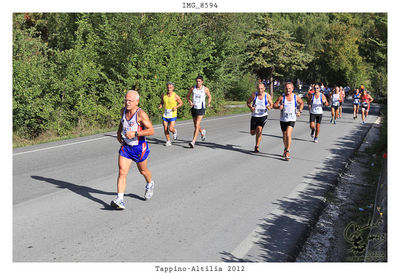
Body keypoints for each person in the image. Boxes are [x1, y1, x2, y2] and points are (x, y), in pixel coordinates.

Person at [111, 90, 155, 210]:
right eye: (125, 100)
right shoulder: (123, 111)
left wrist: (135, 133)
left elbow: (151, 131)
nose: (127, 102)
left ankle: (149, 183)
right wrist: (119, 132)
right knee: (122, 172)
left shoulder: (141, 114)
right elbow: (122, 122)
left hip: (139, 148)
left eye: (130, 100)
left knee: (143, 171)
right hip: (126, 147)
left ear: (137, 101)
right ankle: (120, 199)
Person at [273, 82, 304, 161]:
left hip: (292, 118)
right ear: (284, 89)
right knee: (284, 135)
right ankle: (285, 147)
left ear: (292, 89)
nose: (288, 90)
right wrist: (279, 106)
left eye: (289, 88)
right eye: (286, 88)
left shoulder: (295, 97)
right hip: (283, 119)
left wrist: (300, 111)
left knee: (288, 134)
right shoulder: (281, 97)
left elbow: (301, 103)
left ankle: (287, 151)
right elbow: (274, 105)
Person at [186, 75, 212, 148]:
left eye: (199, 81)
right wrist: (190, 102)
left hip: (201, 108)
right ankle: (202, 132)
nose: (198, 82)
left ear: (202, 82)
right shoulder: (192, 88)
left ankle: (193, 141)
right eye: (197, 81)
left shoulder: (205, 89)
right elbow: (187, 96)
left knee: (197, 125)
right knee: (195, 125)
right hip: (194, 108)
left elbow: (209, 96)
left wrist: (209, 102)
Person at [247, 82, 273, 152]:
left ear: (264, 88)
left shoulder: (267, 96)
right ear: (257, 89)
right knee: (252, 133)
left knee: (259, 129)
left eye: (261, 88)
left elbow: (271, 104)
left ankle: (257, 146)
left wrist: (269, 107)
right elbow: (248, 102)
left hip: (263, 116)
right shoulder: (254, 95)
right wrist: (251, 107)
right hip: (255, 116)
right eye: (259, 88)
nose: (260, 90)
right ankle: (256, 133)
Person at [159, 82, 183, 146]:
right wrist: (161, 105)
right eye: (168, 87)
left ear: (173, 88)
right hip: (165, 114)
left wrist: (176, 107)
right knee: (165, 128)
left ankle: (174, 131)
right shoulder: (164, 95)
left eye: (170, 88)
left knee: (170, 128)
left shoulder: (175, 96)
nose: (169, 89)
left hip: (172, 114)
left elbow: (181, 103)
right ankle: (168, 141)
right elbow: (162, 101)